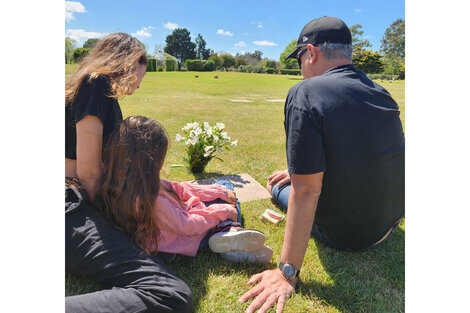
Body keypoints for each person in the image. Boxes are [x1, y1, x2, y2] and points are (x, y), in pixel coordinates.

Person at [238, 16, 405, 313]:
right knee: (293, 178)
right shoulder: (381, 92)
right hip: (388, 226)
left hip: (350, 236)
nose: (301, 67)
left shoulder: (306, 92)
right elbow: (365, 152)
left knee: (279, 189)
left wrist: (286, 273)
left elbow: (307, 192)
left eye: (300, 58)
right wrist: (296, 172)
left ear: (311, 53)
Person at [65, 33, 192, 313]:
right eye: (139, 76)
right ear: (128, 64)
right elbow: (88, 172)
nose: (136, 86)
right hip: (69, 206)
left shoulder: (90, 88)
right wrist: (116, 221)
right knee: (169, 294)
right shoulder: (95, 84)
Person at [95, 115, 273, 263]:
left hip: (178, 227)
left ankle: (228, 233)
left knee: (223, 187)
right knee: (228, 202)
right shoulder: (151, 200)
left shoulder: (127, 182)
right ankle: (229, 229)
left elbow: (177, 187)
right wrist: (225, 210)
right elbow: (187, 225)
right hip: (188, 239)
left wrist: (217, 192)